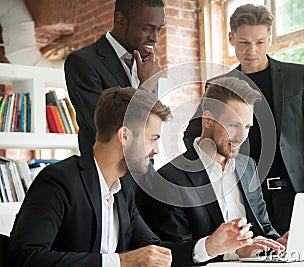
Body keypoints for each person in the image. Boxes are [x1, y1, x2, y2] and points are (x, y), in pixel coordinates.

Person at [7, 87, 254, 267]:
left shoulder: (124, 188)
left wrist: (211, 245)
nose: (156, 150)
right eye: (153, 138)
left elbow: (157, 251)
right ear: (124, 136)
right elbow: (24, 257)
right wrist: (120, 261)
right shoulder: (58, 181)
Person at [183, 4, 304, 235]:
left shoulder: (299, 77)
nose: (252, 50)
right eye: (244, 42)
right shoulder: (218, 86)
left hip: (298, 195)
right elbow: (193, 136)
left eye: (260, 42)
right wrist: (220, 177)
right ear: (231, 38)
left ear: (269, 38)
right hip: (245, 199)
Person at [144, 77, 288, 263]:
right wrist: (235, 252)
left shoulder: (247, 167)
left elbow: (264, 227)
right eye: (233, 125)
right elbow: (175, 253)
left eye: (247, 127)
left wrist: (279, 243)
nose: (241, 137)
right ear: (208, 120)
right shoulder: (169, 178)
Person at [65, 0, 164, 153]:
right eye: (147, 28)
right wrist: (146, 87)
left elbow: (150, 128)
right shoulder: (83, 62)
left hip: (143, 173)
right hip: (104, 174)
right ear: (120, 21)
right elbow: (108, 131)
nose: (155, 38)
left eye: (159, 30)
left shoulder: (148, 66)